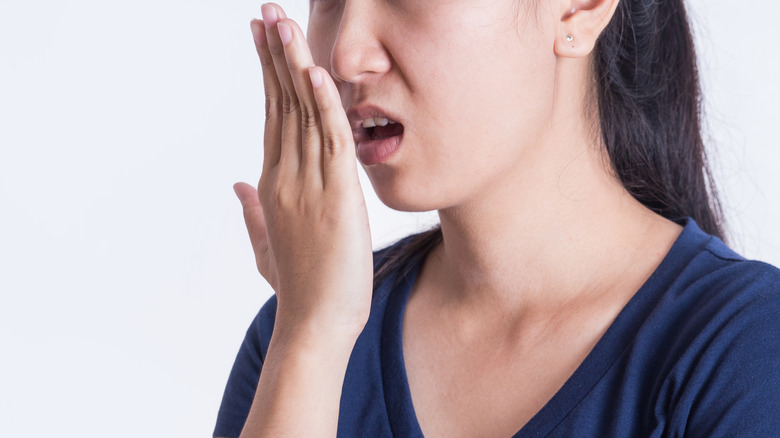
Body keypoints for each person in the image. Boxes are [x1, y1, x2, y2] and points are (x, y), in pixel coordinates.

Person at [214, 0, 780, 436]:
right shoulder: (298, 336)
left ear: (578, 9)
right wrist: (309, 336)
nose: (344, 55)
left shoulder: (747, 351)